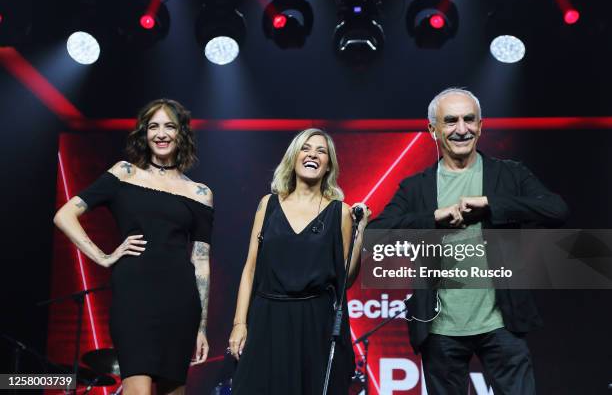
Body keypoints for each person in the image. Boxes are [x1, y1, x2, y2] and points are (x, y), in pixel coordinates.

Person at [367, 88, 569, 395]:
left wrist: (490, 203)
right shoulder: (415, 188)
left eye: (469, 119)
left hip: (502, 324)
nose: (461, 129)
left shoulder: (509, 174)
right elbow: (375, 234)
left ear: (481, 125)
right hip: (440, 329)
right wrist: (434, 218)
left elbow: (556, 210)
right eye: (450, 121)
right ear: (432, 130)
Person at [53, 99, 213, 395]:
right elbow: (65, 215)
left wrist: (201, 327)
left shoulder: (200, 193)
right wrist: (103, 257)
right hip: (134, 298)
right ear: (144, 133)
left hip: (180, 301)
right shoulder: (124, 173)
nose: (161, 134)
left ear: (182, 134)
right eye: (153, 126)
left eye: (169, 126)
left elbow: (201, 261)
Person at [228, 128, 369, 394]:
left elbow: (346, 279)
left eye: (321, 151)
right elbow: (250, 269)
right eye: (306, 148)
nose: (313, 154)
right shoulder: (267, 205)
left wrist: (361, 233)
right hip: (267, 318)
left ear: (329, 165)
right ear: (294, 157)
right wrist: (239, 324)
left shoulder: (340, 211)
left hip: (314, 323)